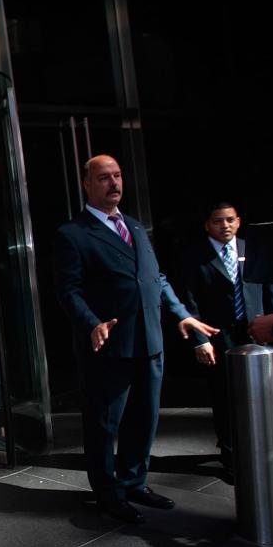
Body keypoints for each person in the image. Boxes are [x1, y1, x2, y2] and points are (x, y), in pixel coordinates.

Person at [52, 154, 220, 524]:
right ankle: (107, 493)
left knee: (145, 418)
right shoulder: (73, 234)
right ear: (87, 184)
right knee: (104, 424)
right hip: (109, 346)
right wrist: (91, 322)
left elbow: (156, 279)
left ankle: (133, 481)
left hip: (150, 341)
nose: (114, 183)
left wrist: (184, 315)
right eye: (104, 178)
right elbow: (69, 289)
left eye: (117, 175)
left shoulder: (134, 227)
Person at [179, 202, 273, 480]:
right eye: (218, 221)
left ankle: (263, 451)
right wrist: (199, 340)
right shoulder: (195, 256)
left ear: (239, 222)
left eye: (230, 220)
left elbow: (272, 288)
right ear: (207, 225)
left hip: (257, 331)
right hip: (219, 336)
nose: (225, 225)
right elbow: (189, 300)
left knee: (262, 393)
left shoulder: (251, 250)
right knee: (225, 395)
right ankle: (231, 455)